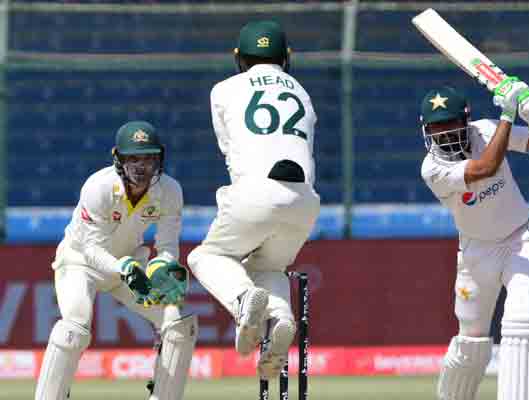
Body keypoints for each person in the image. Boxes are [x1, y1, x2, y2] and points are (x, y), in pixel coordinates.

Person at [187, 20, 320, 379]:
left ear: (239, 58)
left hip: (256, 191)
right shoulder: (302, 92)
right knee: (269, 268)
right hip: (304, 199)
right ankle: (281, 318)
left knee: (207, 256)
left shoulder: (223, 89)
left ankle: (243, 299)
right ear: (286, 57)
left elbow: (228, 148)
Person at [35, 121, 196, 400]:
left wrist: (162, 267)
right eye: (133, 158)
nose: (141, 167)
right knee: (74, 328)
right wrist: (123, 268)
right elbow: (91, 248)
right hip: (80, 263)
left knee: (178, 324)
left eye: (148, 158)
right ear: (118, 159)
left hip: (130, 262)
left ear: (159, 159)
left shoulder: (170, 191)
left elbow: (168, 246)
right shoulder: (98, 187)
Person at [419, 79, 529, 400]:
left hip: (521, 238)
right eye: (436, 127)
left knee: (526, 318)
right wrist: (509, 114)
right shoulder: (432, 168)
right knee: (471, 343)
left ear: (465, 119)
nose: (444, 133)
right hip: (476, 253)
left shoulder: (485, 130)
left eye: (450, 123)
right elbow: (486, 167)